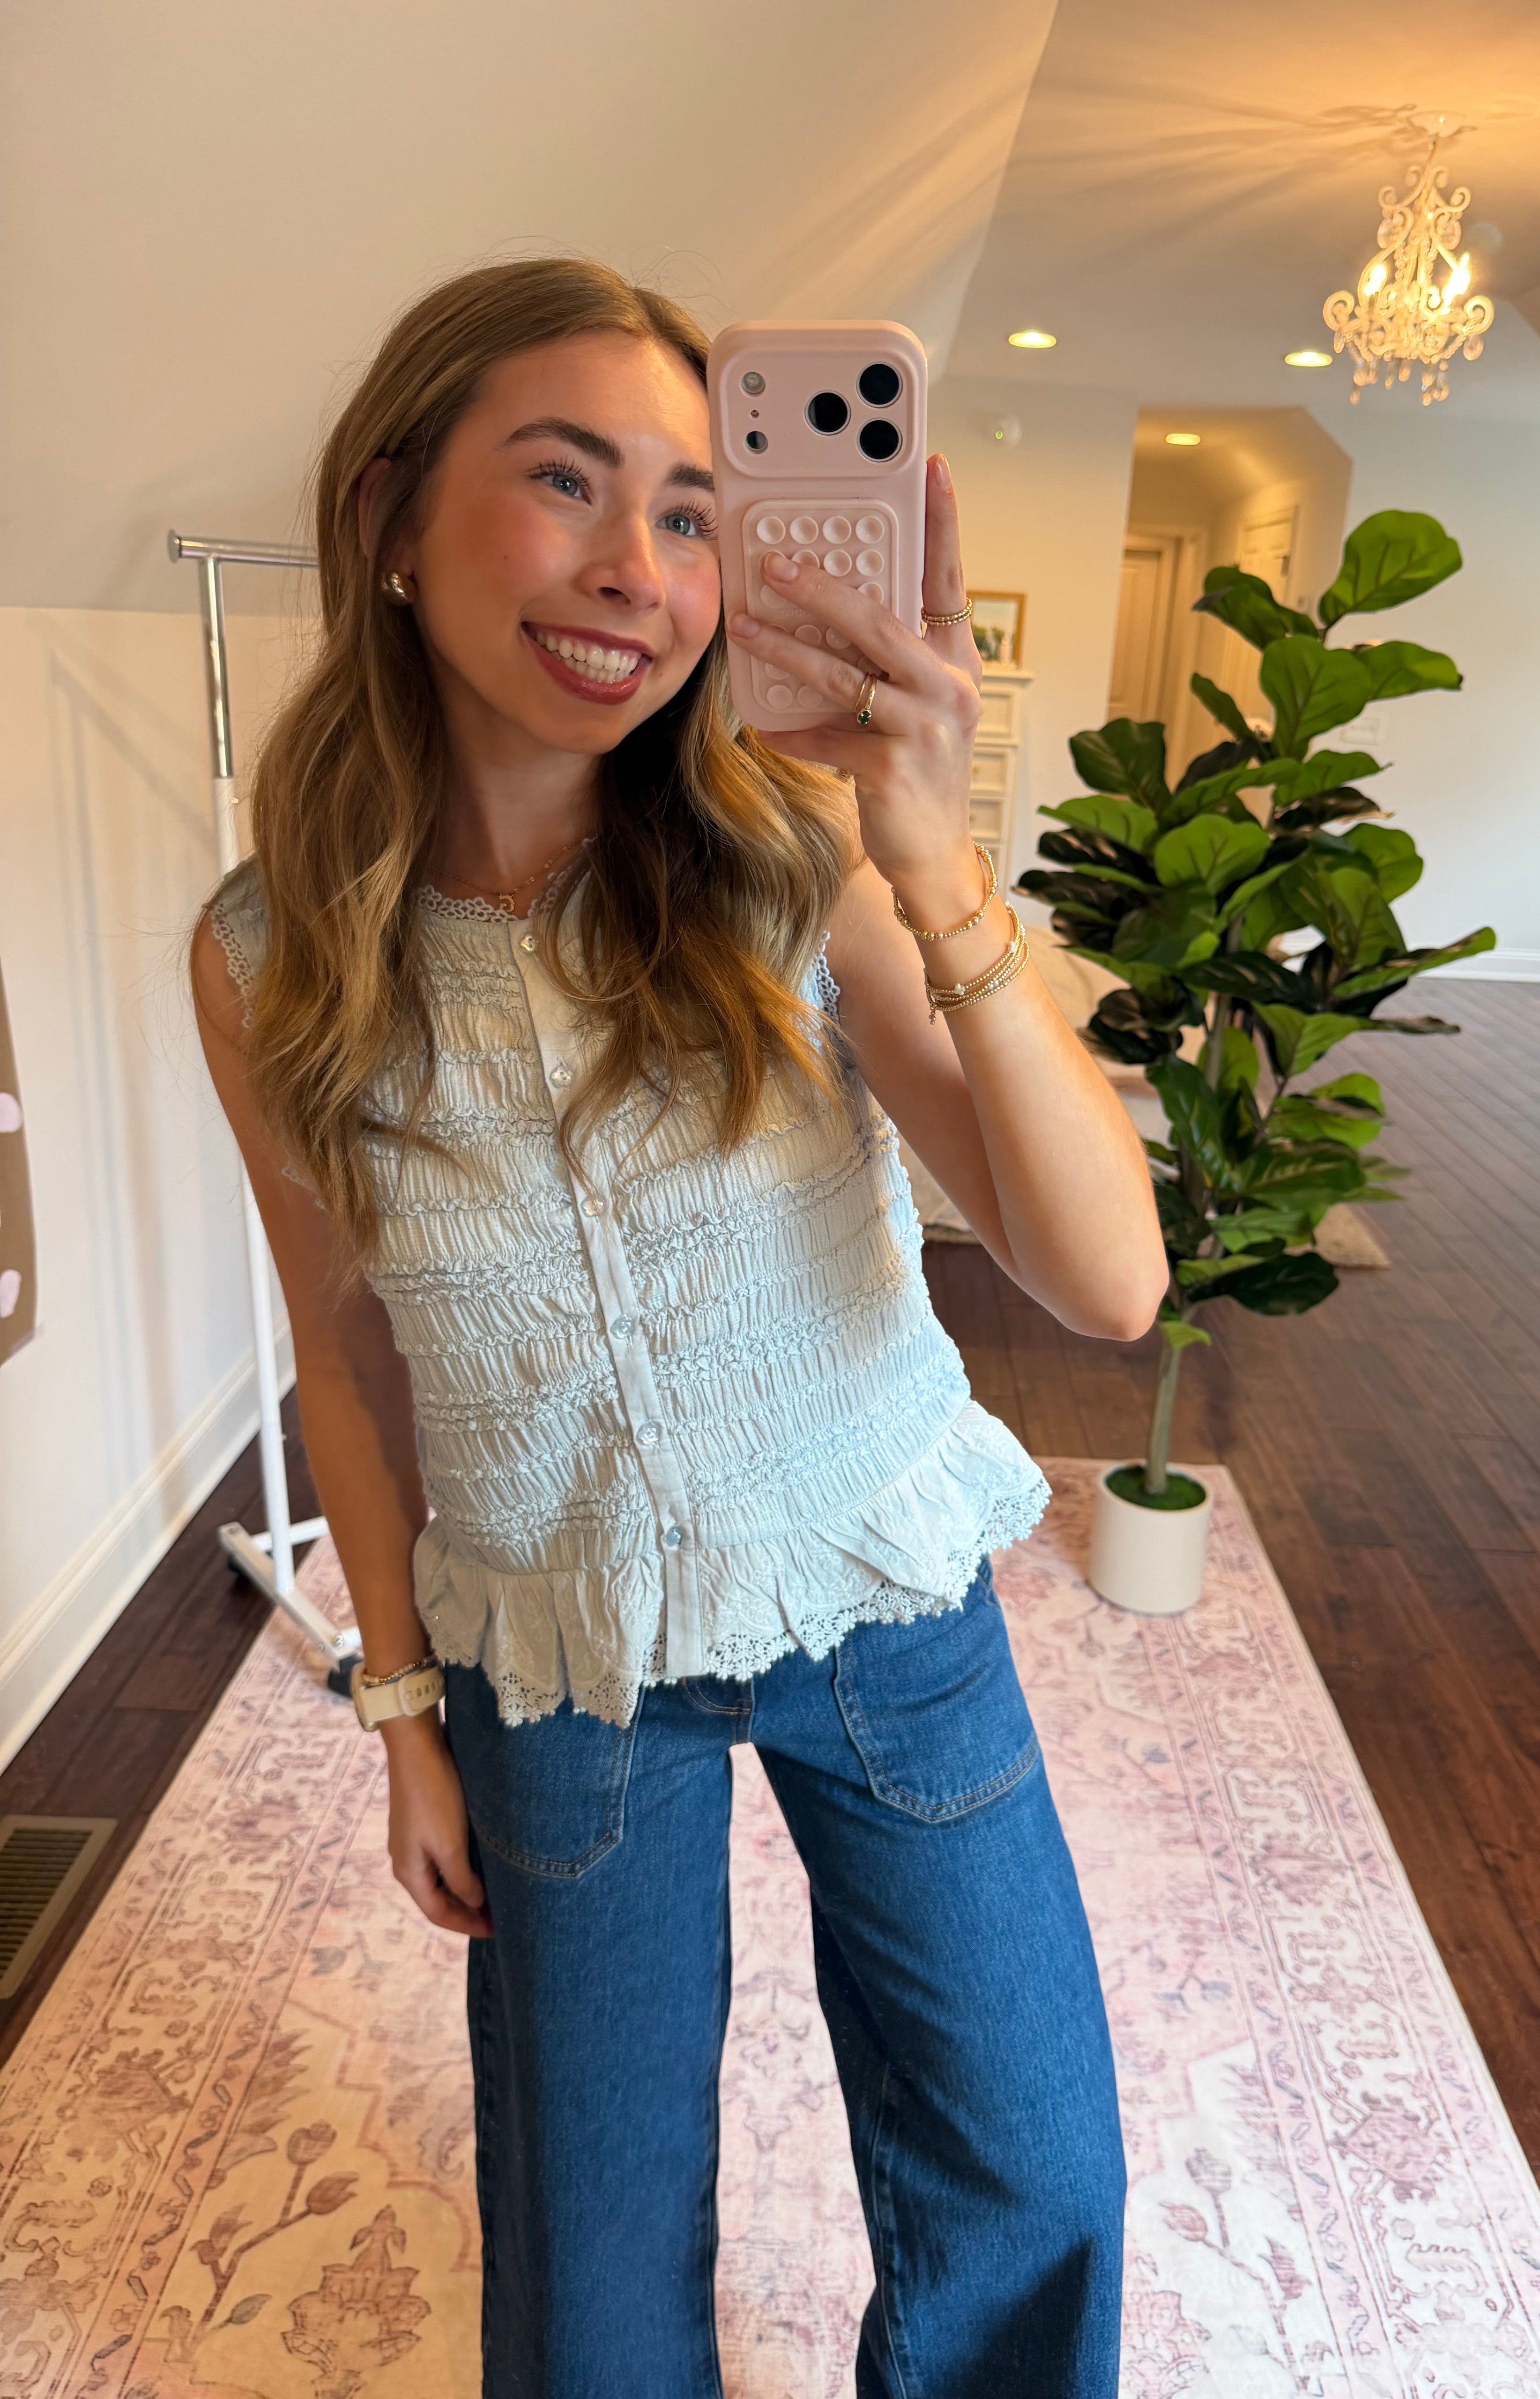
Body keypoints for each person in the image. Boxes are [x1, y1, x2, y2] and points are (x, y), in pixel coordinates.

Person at [191, 257, 1166, 2399]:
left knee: (1033, 2159)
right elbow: (343, 1355)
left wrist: (935, 853)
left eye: (698, 508)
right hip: (559, 1648)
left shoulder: (794, 856)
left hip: (878, 1587)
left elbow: (1111, 1283)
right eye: (565, 482)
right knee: (592, 2232)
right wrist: (403, 1710)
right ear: (390, 509)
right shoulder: (271, 953)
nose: (639, 568)